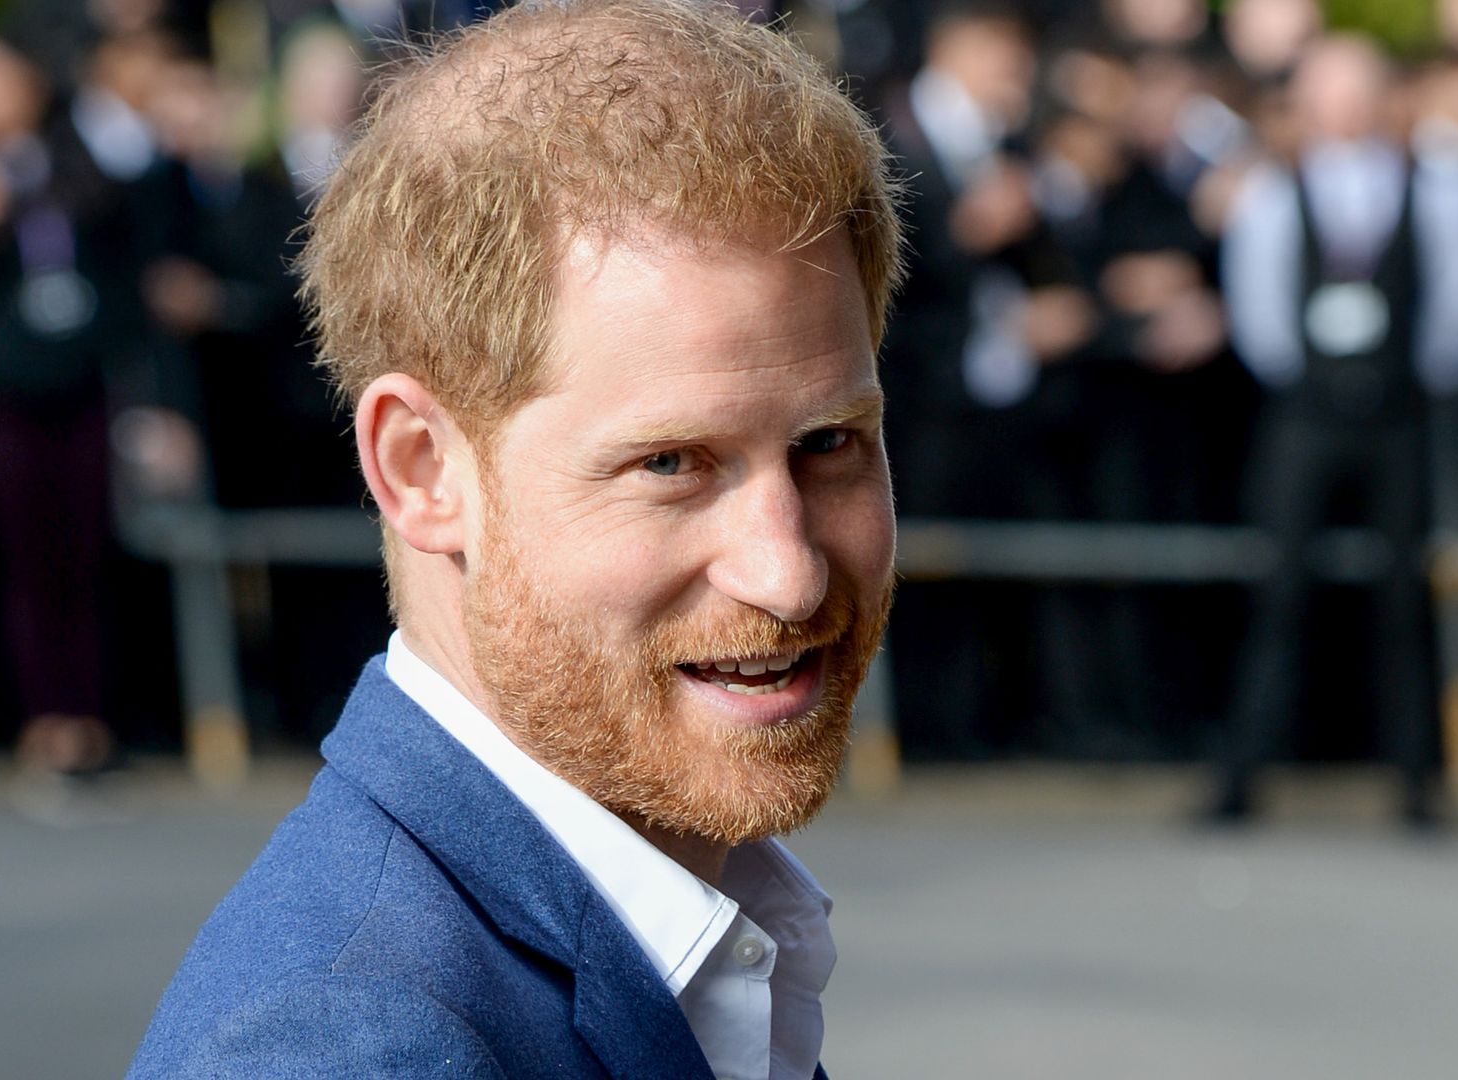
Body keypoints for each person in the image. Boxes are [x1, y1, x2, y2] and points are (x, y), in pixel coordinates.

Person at [129, 1, 901, 1076]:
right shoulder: (359, 1046)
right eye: (670, 464)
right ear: (421, 470)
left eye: (830, 442)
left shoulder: (682, 928)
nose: (788, 570)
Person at [1210, 35, 1458, 824]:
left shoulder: (1437, 185)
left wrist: (1411, 378)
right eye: (1326, 92)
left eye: (1355, 90)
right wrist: (1309, 380)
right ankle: (1242, 775)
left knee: (1405, 598)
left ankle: (1416, 782)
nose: (1342, 108)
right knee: (1279, 590)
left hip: (1399, 417)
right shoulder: (1275, 191)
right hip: (1305, 419)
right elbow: (1257, 300)